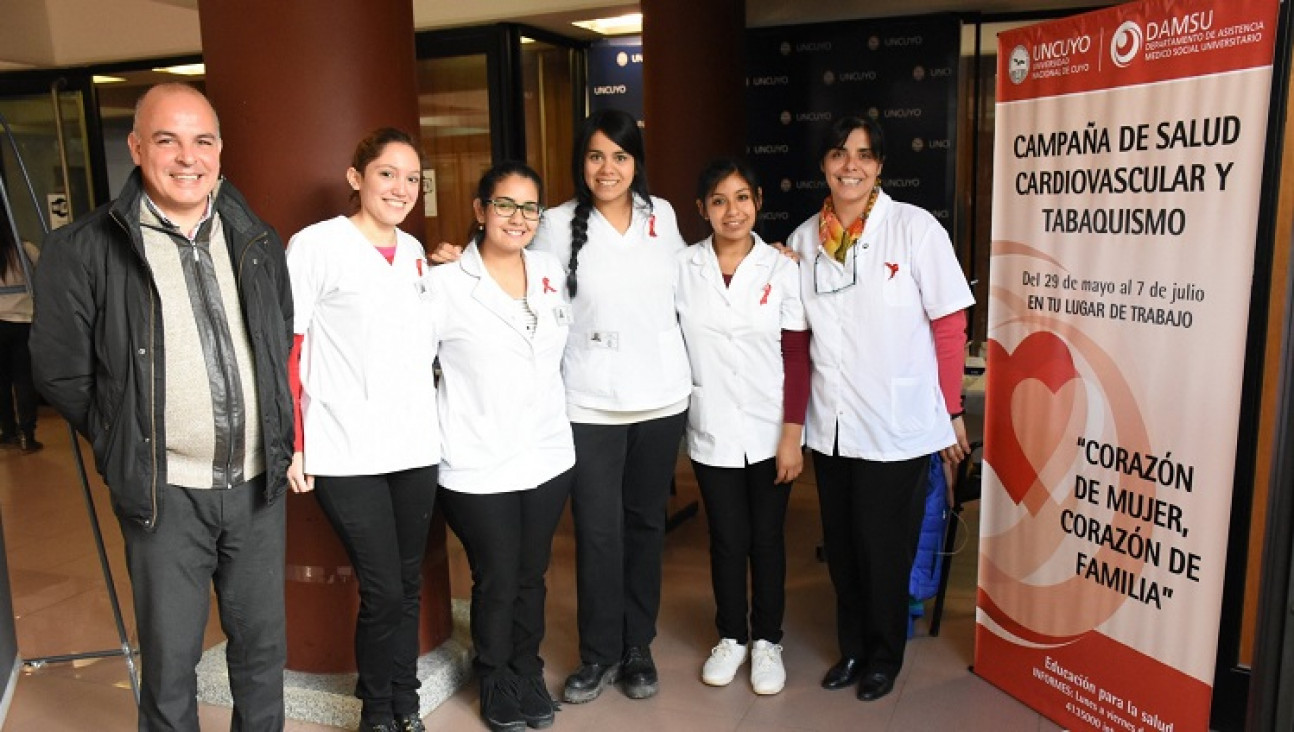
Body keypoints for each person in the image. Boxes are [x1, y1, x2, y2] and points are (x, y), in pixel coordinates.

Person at [30, 83, 293, 730]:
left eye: (202, 140)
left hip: (257, 486)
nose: (187, 157)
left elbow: (276, 335)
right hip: (165, 493)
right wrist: (130, 437)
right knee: (172, 664)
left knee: (262, 655)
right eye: (167, 139)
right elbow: (61, 373)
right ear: (137, 147)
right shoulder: (87, 249)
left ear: (220, 151)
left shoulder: (254, 238)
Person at [788, 116, 973, 702]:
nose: (852, 165)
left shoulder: (915, 230)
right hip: (833, 424)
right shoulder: (800, 242)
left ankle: (884, 656)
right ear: (823, 163)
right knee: (841, 548)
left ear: (880, 166)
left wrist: (952, 412)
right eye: (840, 153)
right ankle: (852, 649)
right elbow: (794, 337)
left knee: (884, 548)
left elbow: (949, 327)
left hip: (898, 425)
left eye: (865, 155)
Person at [285, 127, 439, 732]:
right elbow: (290, 348)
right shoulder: (317, 245)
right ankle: (378, 712)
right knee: (381, 587)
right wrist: (294, 442)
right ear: (356, 178)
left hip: (415, 445)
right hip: (345, 448)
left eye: (412, 178)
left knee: (404, 583)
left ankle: (407, 703)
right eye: (387, 173)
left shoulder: (418, 252)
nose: (401, 188)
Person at [426, 161, 573, 732]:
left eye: (530, 207)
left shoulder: (548, 269)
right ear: (480, 209)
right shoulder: (443, 282)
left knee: (532, 572)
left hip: (546, 452)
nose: (518, 217)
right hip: (477, 458)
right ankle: (494, 675)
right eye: (505, 205)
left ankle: (526, 667)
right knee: (497, 574)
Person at [675, 158, 810, 696]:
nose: (732, 211)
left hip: (770, 426)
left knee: (767, 539)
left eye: (742, 198)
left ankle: (767, 642)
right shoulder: (682, 267)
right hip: (712, 429)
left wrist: (792, 435)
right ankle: (731, 636)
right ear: (702, 209)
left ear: (758, 200)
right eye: (719, 200)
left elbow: (797, 357)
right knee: (727, 539)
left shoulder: (782, 268)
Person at [0, 207, 41, 453]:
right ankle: (28, 434)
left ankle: (8, 431)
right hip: (24, 322)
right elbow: (45, 276)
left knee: (1, 382)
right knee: (24, 380)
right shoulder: (25, 249)